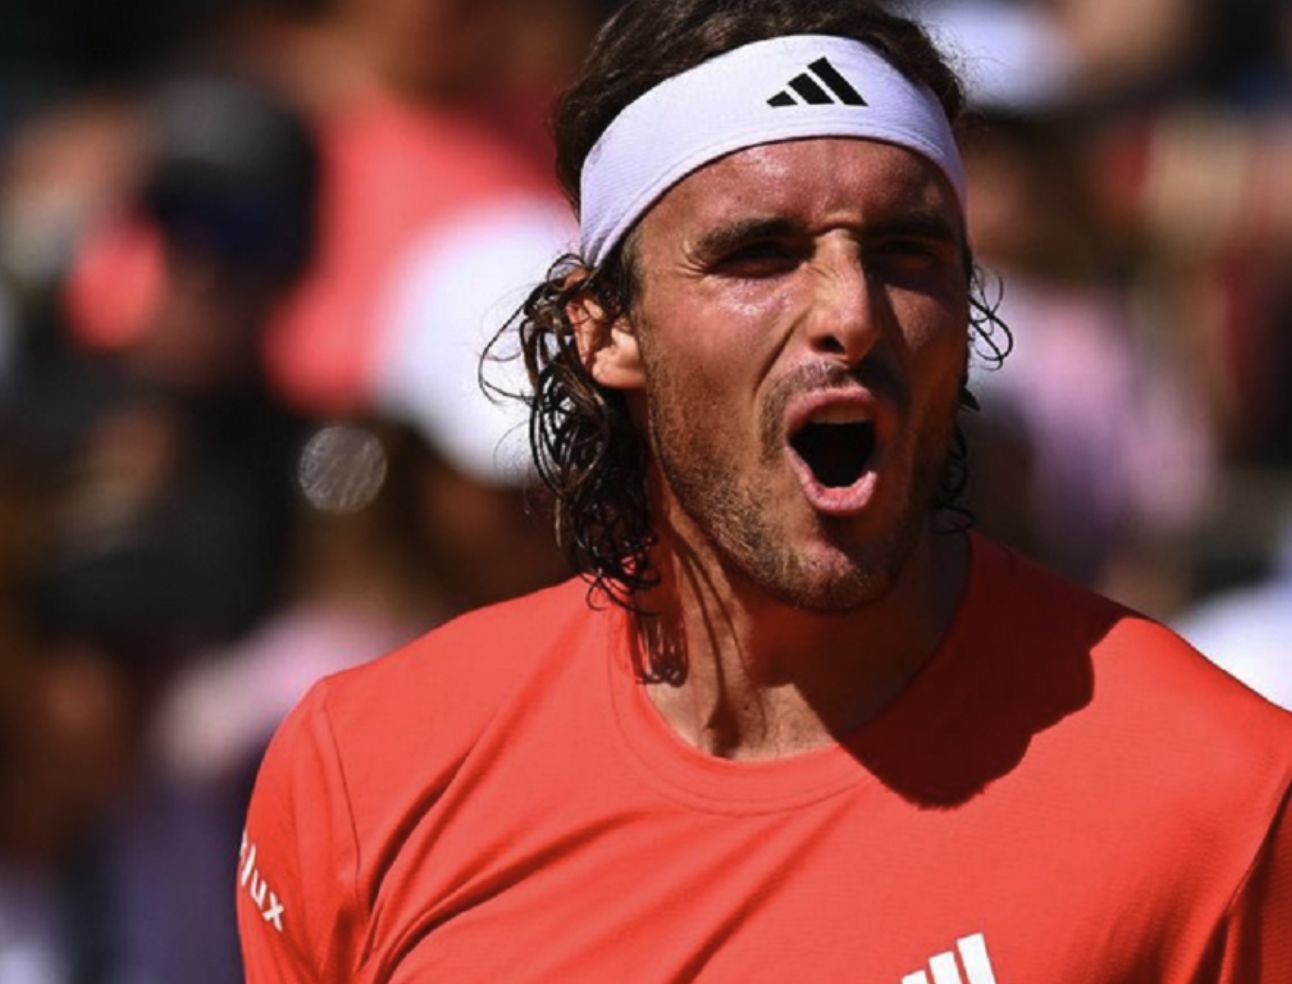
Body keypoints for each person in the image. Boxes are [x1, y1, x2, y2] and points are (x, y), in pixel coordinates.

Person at [237, 2, 1292, 981]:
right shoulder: (367, 769)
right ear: (604, 330)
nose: (851, 312)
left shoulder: (1216, 797)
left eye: (906, 251)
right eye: (759, 253)